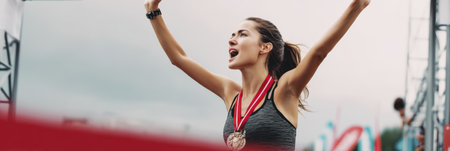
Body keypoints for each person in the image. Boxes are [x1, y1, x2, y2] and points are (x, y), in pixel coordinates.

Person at [144, 0, 369, 150]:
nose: (232, 39)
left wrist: (356, 6)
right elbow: (179, 59)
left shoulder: (284, 91)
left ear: (264, 47)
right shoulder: (230, 93)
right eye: (232, 35)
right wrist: (152, 9)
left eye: (242, 34)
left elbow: (319, 53)